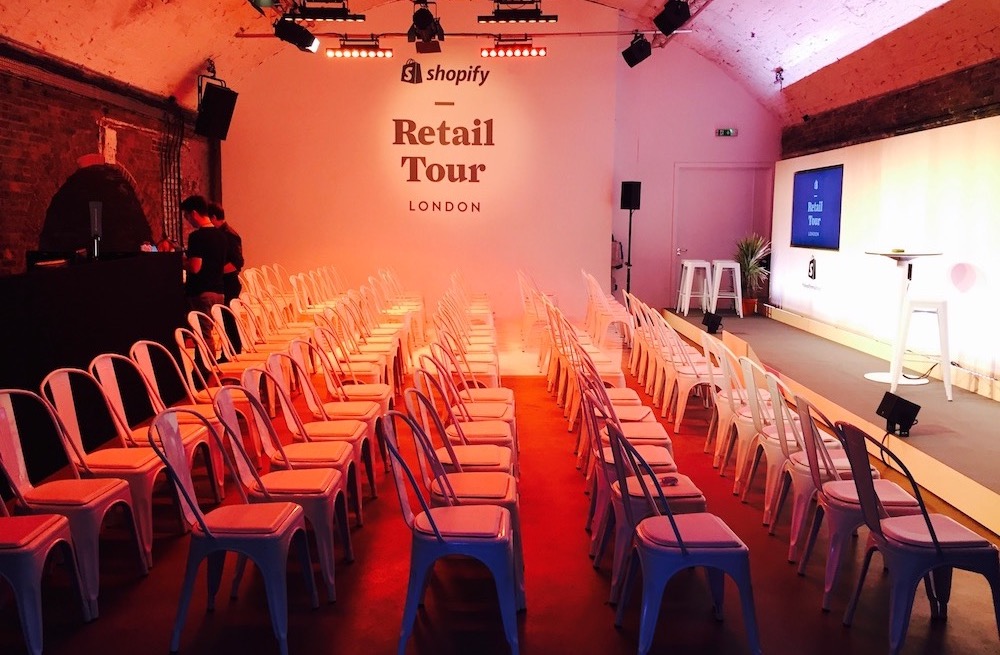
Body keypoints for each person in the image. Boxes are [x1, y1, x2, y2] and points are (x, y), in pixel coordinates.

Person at [180, 194, 227, 377]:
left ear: (193, 213)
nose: (187, 220)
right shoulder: (222, 236)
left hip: (202, 292)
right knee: (207, 332)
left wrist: (181, 261)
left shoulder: (197, 237)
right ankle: (202, 371)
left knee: (202, 334)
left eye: (186, 216)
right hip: (219, 291)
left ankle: (207, 374)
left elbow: (195, 267)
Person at [207, 201, 244, 355]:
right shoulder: (221, 234)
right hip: (224, 282)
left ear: (214, 217)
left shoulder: (228, 234)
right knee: (225, 319)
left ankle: (232, 351)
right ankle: (230, 351)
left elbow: (237, 263)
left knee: (228, 319)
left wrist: (213, 272)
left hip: (229, 282)